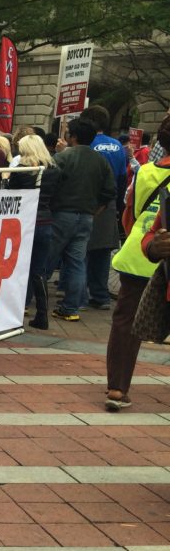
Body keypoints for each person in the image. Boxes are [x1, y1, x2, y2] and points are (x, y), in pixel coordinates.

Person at [105, 116, 170, 411]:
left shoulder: (145, 171)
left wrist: (140, 239)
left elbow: (129, 214)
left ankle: (117, 388)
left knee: (125, 322)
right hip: (154, 253)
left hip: (138, 251)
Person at [45, 118, 116, 321]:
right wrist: (95, 211)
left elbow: (49, 183)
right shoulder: (101, 161)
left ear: (73, 136)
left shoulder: (63, 158)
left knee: (46, 260)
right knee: (77, 262)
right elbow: (109, 191)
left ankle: (29, 302)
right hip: (86, 217)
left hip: (62, 214)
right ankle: (71, 308)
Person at [8, 134, 61, 329]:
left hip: (24, 222)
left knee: (17, 268)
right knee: (39, 271)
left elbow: (11, 195)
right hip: (45, 221)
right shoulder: (54, 170)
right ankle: (42, 314)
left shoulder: (22, 171)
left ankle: (13, 312)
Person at [80, 106, 128, 311]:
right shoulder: (118, 145)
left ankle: (78, 296)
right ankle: (100, 296)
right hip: (109, 203)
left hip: (87, 202)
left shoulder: (87, 144)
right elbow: (123, 178)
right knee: (102, 252)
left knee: (80, 251)